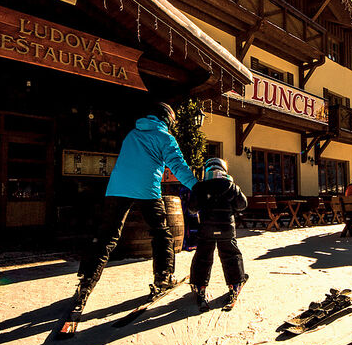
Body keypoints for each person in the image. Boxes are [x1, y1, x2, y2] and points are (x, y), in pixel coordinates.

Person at [75, 102, 198, 306]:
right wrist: (196, 186)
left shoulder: (132, 134)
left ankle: (87, 280)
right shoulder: (165, 138)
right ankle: (163, 277)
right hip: (146, 189)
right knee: (161, 232)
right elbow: (178, 166)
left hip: (117, 188)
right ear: (166, 119)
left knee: (106, 235)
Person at [187, 158, 248, 311]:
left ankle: (199, 286)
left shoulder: (200, 186)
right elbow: (242, 205)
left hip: (206, 229)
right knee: (231, 255)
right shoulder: (231, 185)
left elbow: (192, 208)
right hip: (227, 229)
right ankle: (235, 284)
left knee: (203, 256)